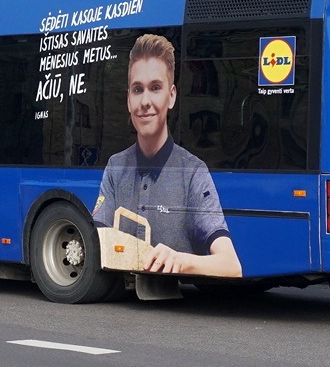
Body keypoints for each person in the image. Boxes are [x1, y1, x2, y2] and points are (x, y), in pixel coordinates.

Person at [92, 34, 242, 277]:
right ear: (128, 100)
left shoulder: (193, 173)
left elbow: (231, 266)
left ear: (171, 96)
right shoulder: (115, 166)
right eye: (137, 89)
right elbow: (96, 242)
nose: (145, 101)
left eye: (155, 88)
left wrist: (181, 261)